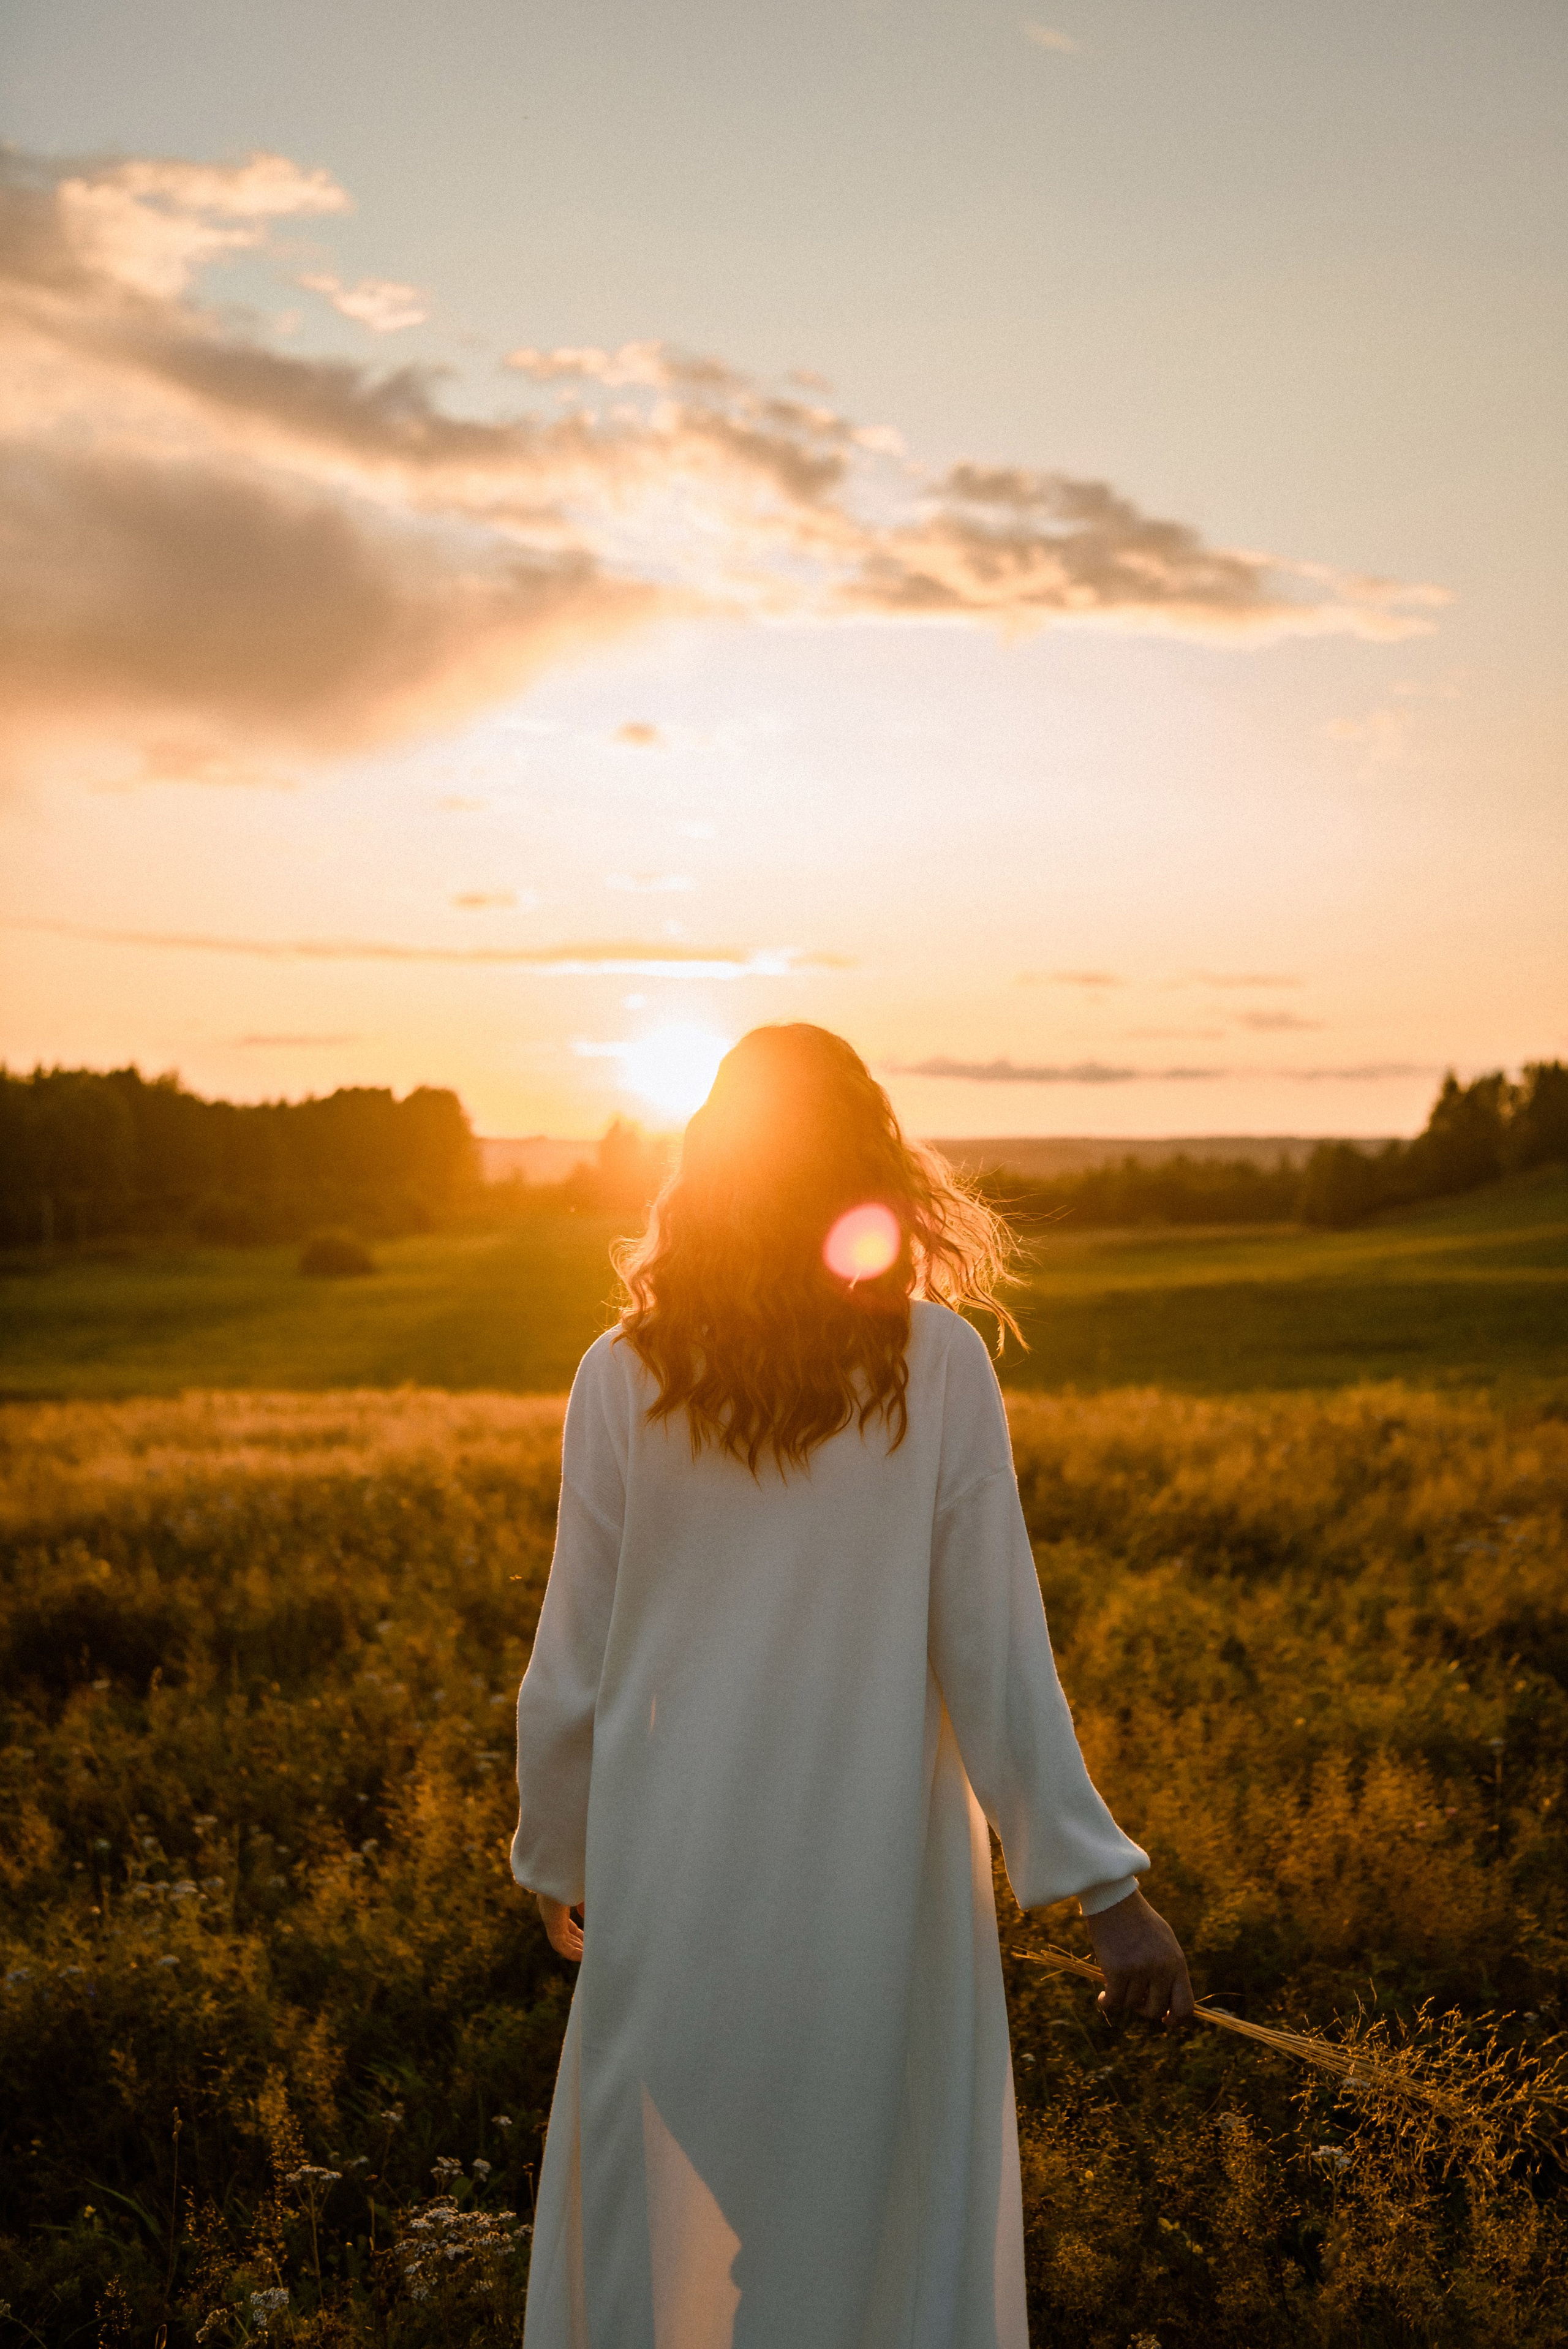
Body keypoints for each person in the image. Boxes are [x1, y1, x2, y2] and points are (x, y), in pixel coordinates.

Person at [512, 1025, 1193, 2349]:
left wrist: (562, 1856)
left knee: (692, 2237)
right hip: (873, 1901)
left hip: (674, 1890)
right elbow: (998, 1655)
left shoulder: (619, 1375)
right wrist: (1107, 1898)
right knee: (853, 2242)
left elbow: (568, 1670)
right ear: (869, 1166)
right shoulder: (935, 1366)